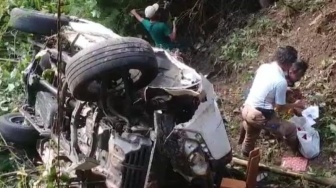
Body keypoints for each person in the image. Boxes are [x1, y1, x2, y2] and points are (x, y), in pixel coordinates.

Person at [240, 46, 306, 157]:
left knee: (250, 136)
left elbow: (266, 86)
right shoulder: (281, 81)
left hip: (247, 107)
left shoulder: (264, 67)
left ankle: (244, 148)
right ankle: (297, 154)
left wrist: (285, 90)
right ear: (288, 63)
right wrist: (296, 104)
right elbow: (279, 108)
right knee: (291, 129)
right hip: (259, 117)